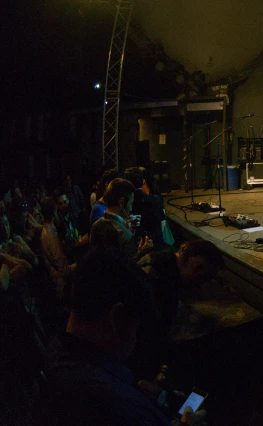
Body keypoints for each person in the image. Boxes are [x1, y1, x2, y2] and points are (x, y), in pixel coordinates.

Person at [42, 247, 172, 425]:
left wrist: (134, 385)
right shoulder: (124, 408)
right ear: (116, 318)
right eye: (136, 326)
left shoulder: (56, 349)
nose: (135, 338)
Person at [131, 240, 224, 378]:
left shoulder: (159, 261)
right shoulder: (158, 282)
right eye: (202, 279)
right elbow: (147, 335)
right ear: (196, 267)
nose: (200, 286)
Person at [90, 178, 153, 260]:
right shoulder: (125, 235)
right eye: (130, 203)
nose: (131, 208)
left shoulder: (95, 225)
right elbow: (131, 268)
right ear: (121, 202)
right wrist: (142, 252)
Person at [124, 167, 165, 248]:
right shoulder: (156, 200)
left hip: (138, 245)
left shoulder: (125, 204)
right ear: (143, 182)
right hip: (156, 244)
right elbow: (162, 220)